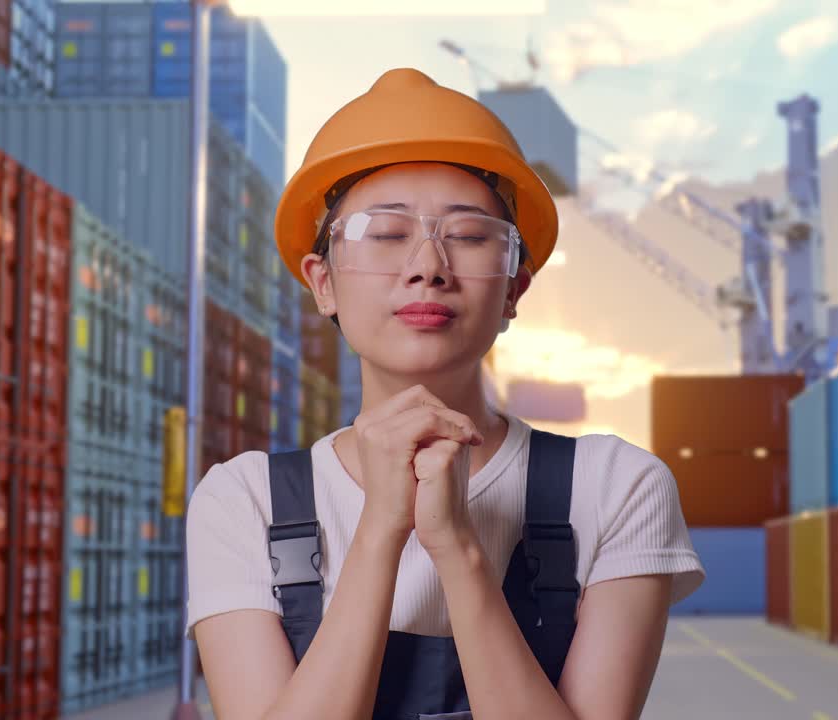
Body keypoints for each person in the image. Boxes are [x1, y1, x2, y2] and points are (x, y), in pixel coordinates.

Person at [185, 67, 704, 720]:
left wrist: (458, 548)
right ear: (323, 283)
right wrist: (380, 529)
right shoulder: (244, 501)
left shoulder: (616, 487)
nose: (428, 266)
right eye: (386, 234)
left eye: (466, 236)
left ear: (514, 288)